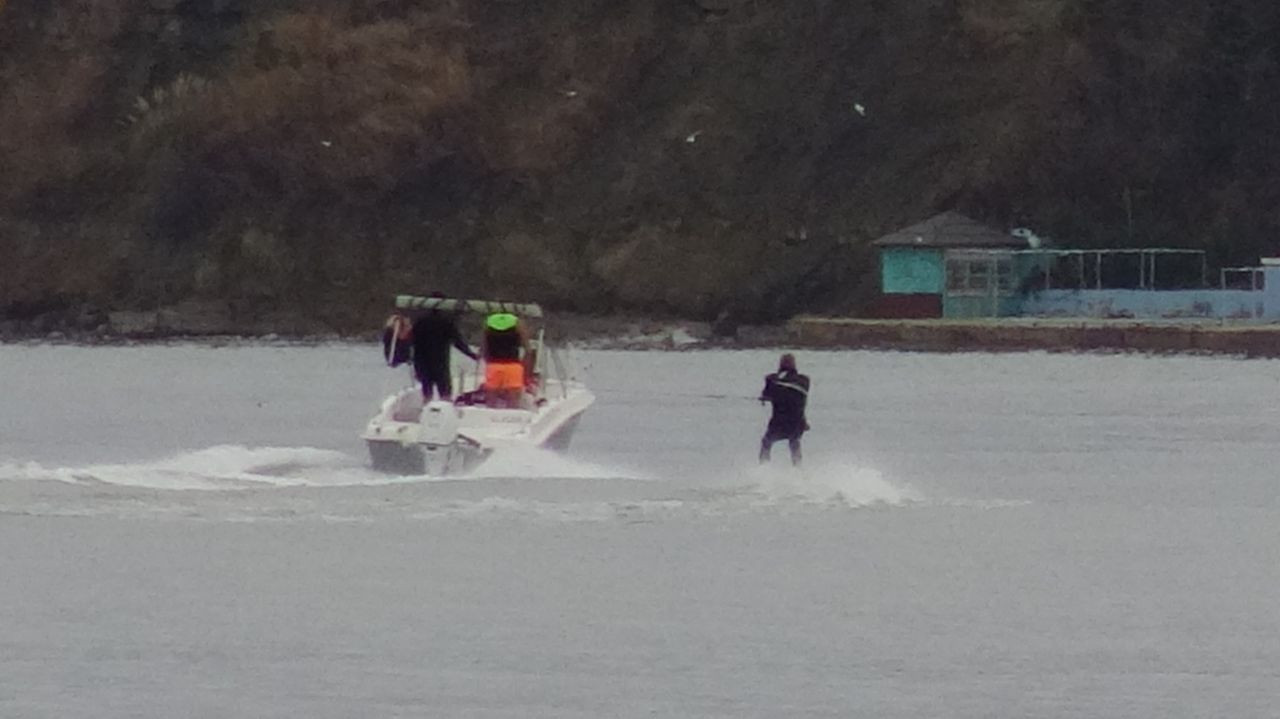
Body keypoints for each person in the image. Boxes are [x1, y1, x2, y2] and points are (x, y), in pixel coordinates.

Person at [407, 296, 478, 401]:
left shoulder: (419, 322)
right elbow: (458, 342)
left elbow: (410, 341)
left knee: (426, 389)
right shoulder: (446, 322)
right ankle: (445, 410)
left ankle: (427, 409)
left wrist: (408, 356)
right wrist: (472, 355)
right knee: (445, 391)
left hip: (422, 361)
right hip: (440, 362)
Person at [758, 353, 810, 466]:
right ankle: (798, 468)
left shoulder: (772, 379)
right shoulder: (804, 380)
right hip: (797, 422)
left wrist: (764, 397)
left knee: (766, 442)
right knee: (794, 442)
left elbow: (767, 394)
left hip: (779, 421)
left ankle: (763, 468)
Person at [482, 312, 528, 407]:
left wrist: (486, 360)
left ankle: (489, 416)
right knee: (513, 401)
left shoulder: (489, 323)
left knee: (491, 400)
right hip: (513, 365)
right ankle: (511, 418)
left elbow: (484, 347)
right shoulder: (517, 323)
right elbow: (527, 348)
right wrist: (523, 364)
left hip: (493, 364)